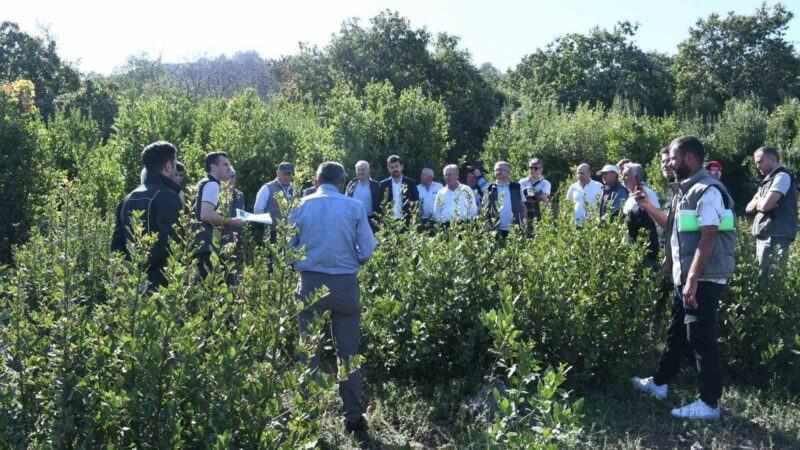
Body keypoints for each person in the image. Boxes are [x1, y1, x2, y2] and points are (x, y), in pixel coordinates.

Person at [632, 136, 736, 421]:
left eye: (673, 159)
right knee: (677, 332)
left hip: (702, 278)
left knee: (701, 337)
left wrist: (691, 280)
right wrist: (649, 207)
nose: (669, 164)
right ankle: (660, 383)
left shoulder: (708, 191)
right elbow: (674, 227)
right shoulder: (684, 191)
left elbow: (709, 237)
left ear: (690, 158)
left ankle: (710, 403)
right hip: (687, 277)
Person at [289, 162, 377, 439]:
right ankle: (353, 417)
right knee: (348, 353)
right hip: (344, 283)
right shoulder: (354, 207)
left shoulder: (300, 205)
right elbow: (369, 247)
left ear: (316, 182)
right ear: (342, 183)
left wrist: (300, 264)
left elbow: (286, 247)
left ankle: (307, 416)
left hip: (311, 282)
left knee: (309, 351)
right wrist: (353, 261)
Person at [111, 141, 184, 288]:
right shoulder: (168, 195)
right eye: (175, 165)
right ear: (168, 166)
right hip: (160, 283)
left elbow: (117, 242)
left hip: (131, 285)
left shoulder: (128, 197)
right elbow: (170, 242)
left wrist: (128, 269)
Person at [745, 147, 797, 279]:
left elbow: (766, 206)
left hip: (775, 234)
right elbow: (748, 208)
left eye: (760, 162)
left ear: (773, 159)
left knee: (769, 279)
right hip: (767, 233)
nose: (757, 166)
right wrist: (761, 202)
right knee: (762, 276)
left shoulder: (782, 177)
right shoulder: (768, 181)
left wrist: (762, 203)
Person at [193, 151, 244, 280]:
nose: (228, 168)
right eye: (225, 164)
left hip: (202, 246)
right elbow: (206, 215)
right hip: (210, 248)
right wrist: (233, 221)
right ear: (213, 167)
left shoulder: (204, 183)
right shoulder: (213, 184)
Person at [621, 163, 660, 266]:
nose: (622, 178)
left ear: (636, 176)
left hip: (645, 249)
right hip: (631, 249)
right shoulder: (631, 196)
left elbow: (656, 216)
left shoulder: (647, 193)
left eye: (626, 175)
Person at [254, 162, 295, 243]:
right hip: (272, 233)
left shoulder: (295, 189)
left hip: (291, 233)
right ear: (278, 173)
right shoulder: (267, 188)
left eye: (289, 174)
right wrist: (265, 228)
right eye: (284, 174)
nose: (287, 177)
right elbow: (258, 210)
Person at [484, 161, 527, 237]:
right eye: (496, 170)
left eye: (501, 169)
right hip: (495, 229)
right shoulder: (490, 188)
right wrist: (486, 227)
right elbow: (486, 209)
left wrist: (525, 223)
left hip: (514, 228)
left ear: (508, 172)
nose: (498, 172)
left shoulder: (516, 187)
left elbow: (522, 206)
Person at [378, 155, 419, 224]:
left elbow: (416, 202)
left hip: (407, 222)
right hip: (389, 222)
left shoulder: (411, 183)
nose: (395, 169)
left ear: (401, 167)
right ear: (388, 168)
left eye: (397, 166)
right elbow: (379, 203)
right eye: (392, 167)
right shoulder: (383, 184)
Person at [345, 160, 381, 232]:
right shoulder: (351, 184)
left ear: (368, 171)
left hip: (370, 221)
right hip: (353, 220)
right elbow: (346, 201)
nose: (361, 172)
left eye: (363, 170)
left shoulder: (376, 185)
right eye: (359, 170)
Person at [519, 158, 551, 222]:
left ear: (541, 170)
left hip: (540, 214)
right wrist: (538, 194)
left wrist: (527, 192)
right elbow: (520, 197)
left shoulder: (545, 183)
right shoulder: (522, 182)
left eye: (536, 168)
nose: (533, 170)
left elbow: (543, 197)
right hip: (525, 213)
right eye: (531, 168)